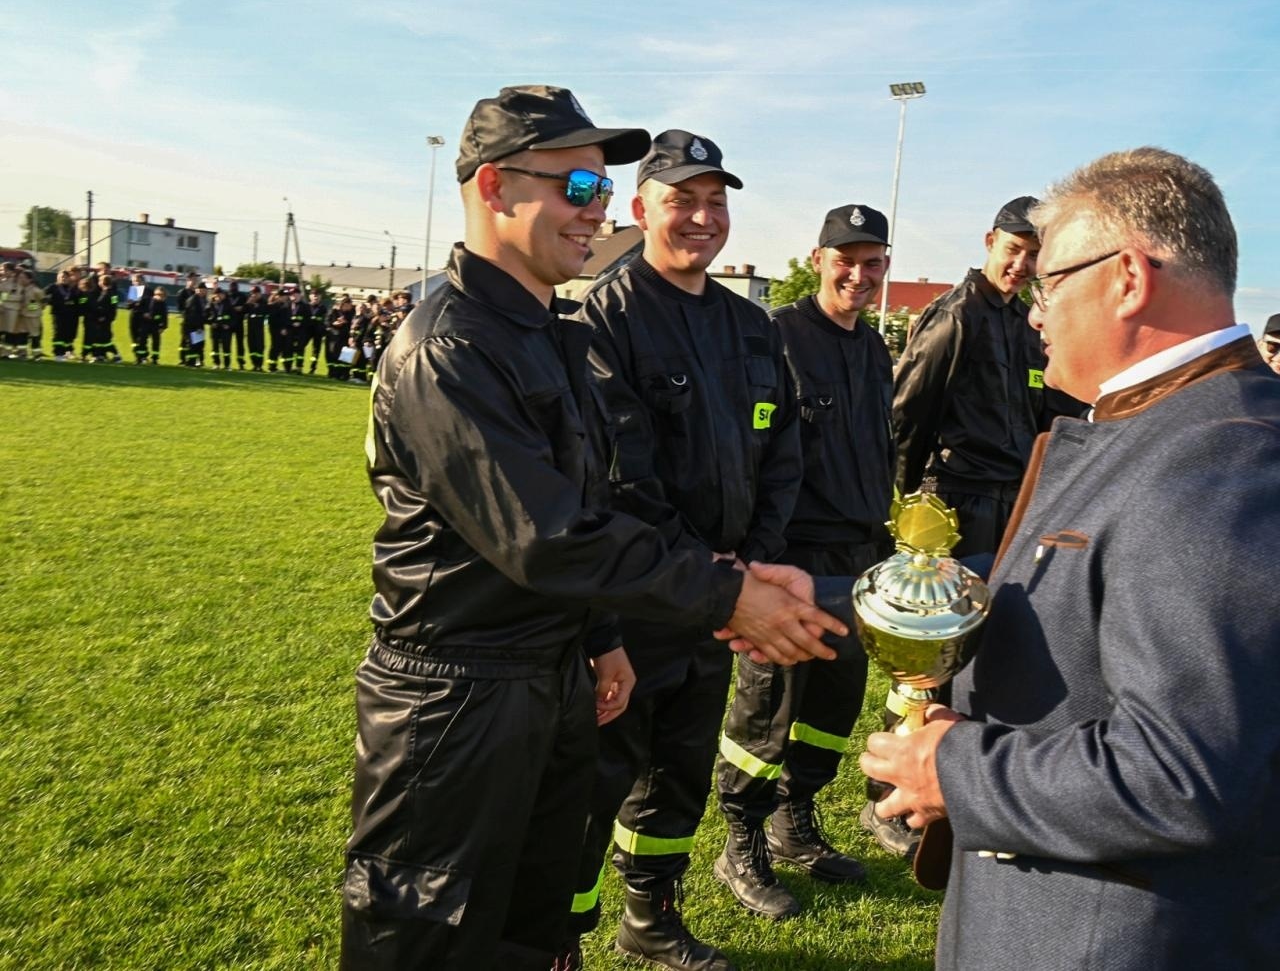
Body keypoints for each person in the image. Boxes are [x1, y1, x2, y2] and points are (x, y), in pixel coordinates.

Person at [341, 85, 844, 971]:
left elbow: (594, 505)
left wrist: (603, 635)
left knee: (532, 936)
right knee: (425, 940)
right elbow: (550, 533)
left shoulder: (545, 330)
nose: (596, 211)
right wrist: (733, 591)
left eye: (603, 191)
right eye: (578, 188)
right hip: (458, 699)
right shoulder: (449, 346)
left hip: (554, 667)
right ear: (495, 188)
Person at [855, 147, 1280, 970]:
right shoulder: (1169, 426)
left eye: (1050, 283)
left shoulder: (1231, 462)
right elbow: (1067, 590)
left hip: (1119, 939)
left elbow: (1178, 773)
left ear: (1128, 277)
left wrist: (953, 768)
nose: (1033, 309)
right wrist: (826, 595)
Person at [570, 130, 802, 970]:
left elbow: (783, 456)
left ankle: (651, 918)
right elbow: (620, 480)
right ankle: (561, 940)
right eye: (681, 200)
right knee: (598, 782)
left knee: (678, 774)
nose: (702, 218)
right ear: (640, 210)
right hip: (638, 602)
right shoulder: (607, 316)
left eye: (716, 201)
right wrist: (714, 578)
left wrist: (754, 562)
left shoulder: (751, 324)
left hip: (719, 603)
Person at [865, 196, 1088, 858]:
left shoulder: (1021, 325)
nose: (1020, 264)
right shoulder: (956, 316)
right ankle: (885, 804)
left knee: (975, 663)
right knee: (923, 666)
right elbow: (905, 418)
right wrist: (906, 516)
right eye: (1012, 248)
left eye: (1032, 255)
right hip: (951, 507)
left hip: (1007, 505)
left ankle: (947, 787)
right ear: (990, 240)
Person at [714, 204, 896, 915]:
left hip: (856, 557)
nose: (859, 273)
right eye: (845, 258)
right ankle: (742, 845)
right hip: (791, 559)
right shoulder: (777, 336)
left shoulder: (875, 348)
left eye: (872, 261)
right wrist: (753, 558)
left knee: (831, 709)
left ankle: (797, 824)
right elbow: (747, 451)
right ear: (817, 259)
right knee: (767, 712)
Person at [47, 269, 79, 360]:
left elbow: (76, 299)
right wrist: (50, 301)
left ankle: (67, 352)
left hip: (70, 315)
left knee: (68, 335)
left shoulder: (71, 288)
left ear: (69, 278)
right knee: (59, 334)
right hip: (58, 314)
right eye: (61, 277)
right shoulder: (53, 287)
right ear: (58, 278)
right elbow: (43, 295)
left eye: (65, 277)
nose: (63, 279)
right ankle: (58, 354)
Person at [207, 286, 235, 369]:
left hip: (225, 329)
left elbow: (233, 317)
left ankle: (227, 365)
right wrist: (211, 323)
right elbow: (206, 316)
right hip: (215, 329)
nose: (219, 296)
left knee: (226, 347)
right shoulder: (211, 305)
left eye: (221, 294)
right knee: (215, 347)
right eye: (217, 295)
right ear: (214, 296)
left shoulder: (229, 304)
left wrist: (228, 325)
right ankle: (216, 363)